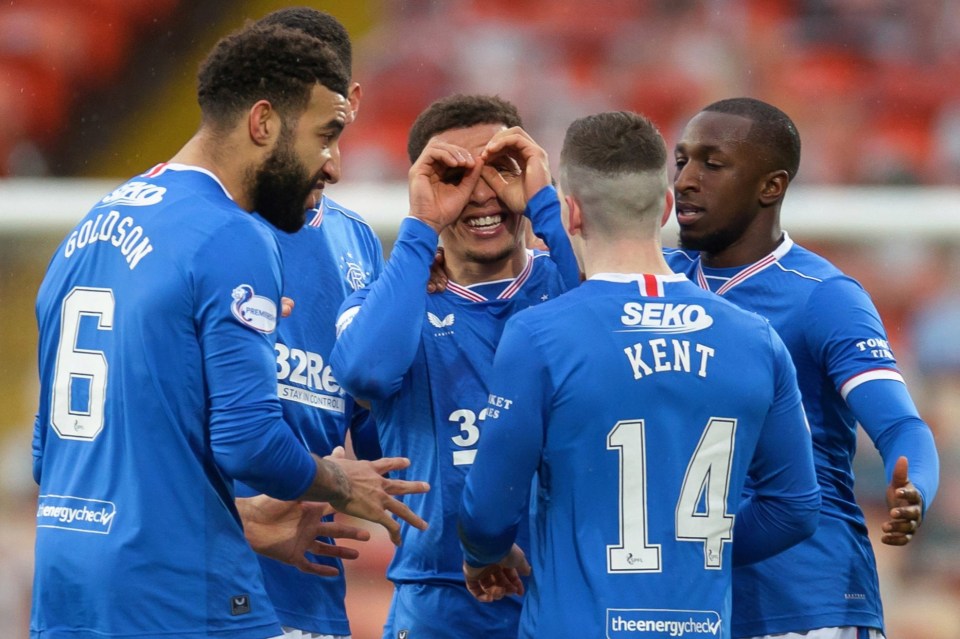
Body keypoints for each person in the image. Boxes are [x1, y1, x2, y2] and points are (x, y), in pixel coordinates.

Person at [30, 22, 427, 639]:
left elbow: (43, 451)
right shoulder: (229, 234)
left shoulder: (89, 227)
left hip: (67, 586)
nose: (335, 165)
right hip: (181, 592)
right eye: (324, 135)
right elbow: (250, 442)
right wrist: (338, 481)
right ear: (263, 122)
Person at [456, 110, 822, 639]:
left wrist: (482, 554)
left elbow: (489, 512)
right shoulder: (755, 339)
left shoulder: (540, 335)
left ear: (571, 213)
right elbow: (795, 509)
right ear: (667, 207)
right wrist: (690, 545)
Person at [666, 97, 941, 639]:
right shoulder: (654, 284)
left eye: (712, 164)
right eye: (682, 160)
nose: (686, 180)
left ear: (771, 187)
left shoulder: (824, 297)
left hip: (805, 601)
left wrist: (914, 490)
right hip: (683, 599)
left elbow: (901, 426)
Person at [329, 94, 579, 639]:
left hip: (573, 596)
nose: (481, 193)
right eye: (454, 175)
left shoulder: (570, 282)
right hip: (443, 603)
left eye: (500, 169)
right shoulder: (391, 303)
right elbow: (366, 374)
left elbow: (612, 327)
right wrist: (420, 230)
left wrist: (544, 205)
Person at [239, 7, 385, 639]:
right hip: (194, 590)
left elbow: (384, 437)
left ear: (348, 102)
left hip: (309, 602)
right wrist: (241, 519)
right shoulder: (196, 229)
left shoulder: (358, 245)